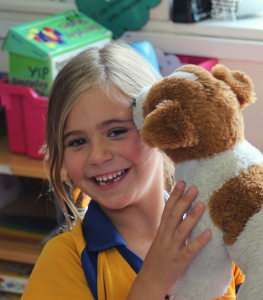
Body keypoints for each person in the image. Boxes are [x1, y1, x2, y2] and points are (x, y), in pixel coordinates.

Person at [21, 41, 244, 300]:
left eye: (116, 132)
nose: (98, 156)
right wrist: (153, 281)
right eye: (77, 142)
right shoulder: (65, 260)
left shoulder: (215, 229)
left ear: (159, 127)